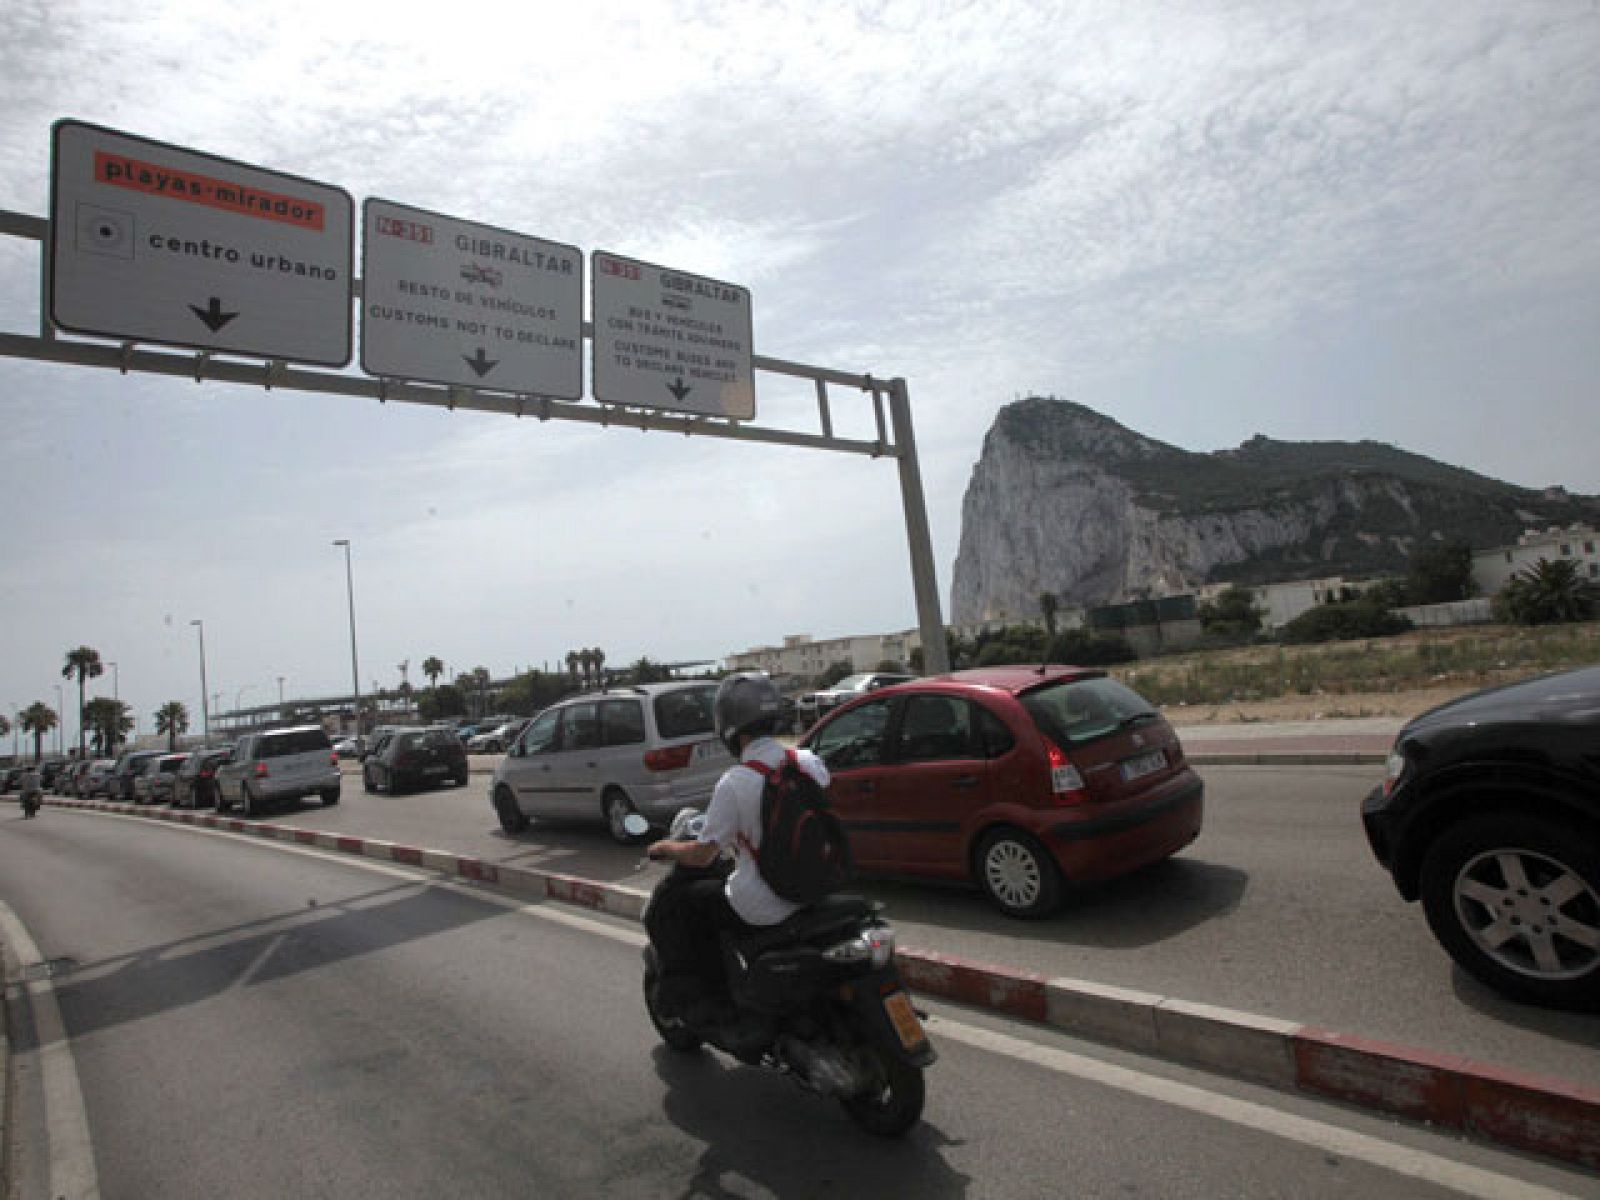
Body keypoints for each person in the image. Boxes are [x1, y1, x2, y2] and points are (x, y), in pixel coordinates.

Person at [646, 672, 831, 1024]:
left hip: (765, 904)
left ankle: (711, 997)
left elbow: (704, 855)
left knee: (684, 902)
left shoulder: (735, 782)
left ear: (728, 725)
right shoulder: (809, 763)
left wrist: (667, 847)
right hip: (818, 886)